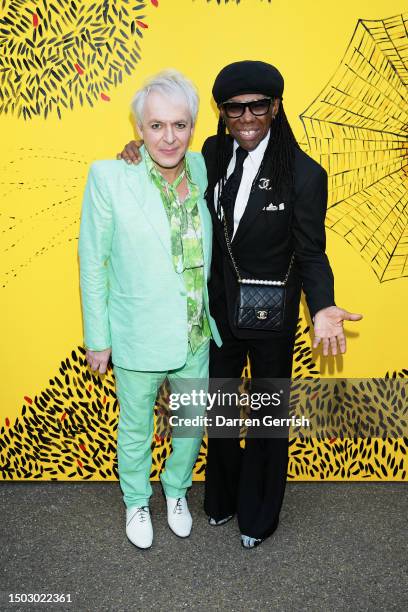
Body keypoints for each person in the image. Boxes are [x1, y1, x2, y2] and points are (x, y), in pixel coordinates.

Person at [117, 60, 362, 548]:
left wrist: (323, 306)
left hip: (271, 315)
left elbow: (312, 252)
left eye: (258, 107)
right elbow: (166, 163)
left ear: (275, 108)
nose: (247, 117)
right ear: (222, 113)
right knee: (223, 411)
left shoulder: (305, 175)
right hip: (218, 312)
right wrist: (136, 149)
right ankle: (222, 500)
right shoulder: (209, 152)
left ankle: (259, 516)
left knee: (268, 418)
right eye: (235, 108)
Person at [78, 69, 221, 550]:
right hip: (137, 334)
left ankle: (176, 489)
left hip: (194, 334)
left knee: (191, 425)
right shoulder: (109, 177)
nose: (168, 136)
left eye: (179, 125)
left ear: (193, 128)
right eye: (156, 125)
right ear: (138, 128)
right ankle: (136, 500)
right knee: (136, 429)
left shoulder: (201, 169)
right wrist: (98, 339)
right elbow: (93, 262)